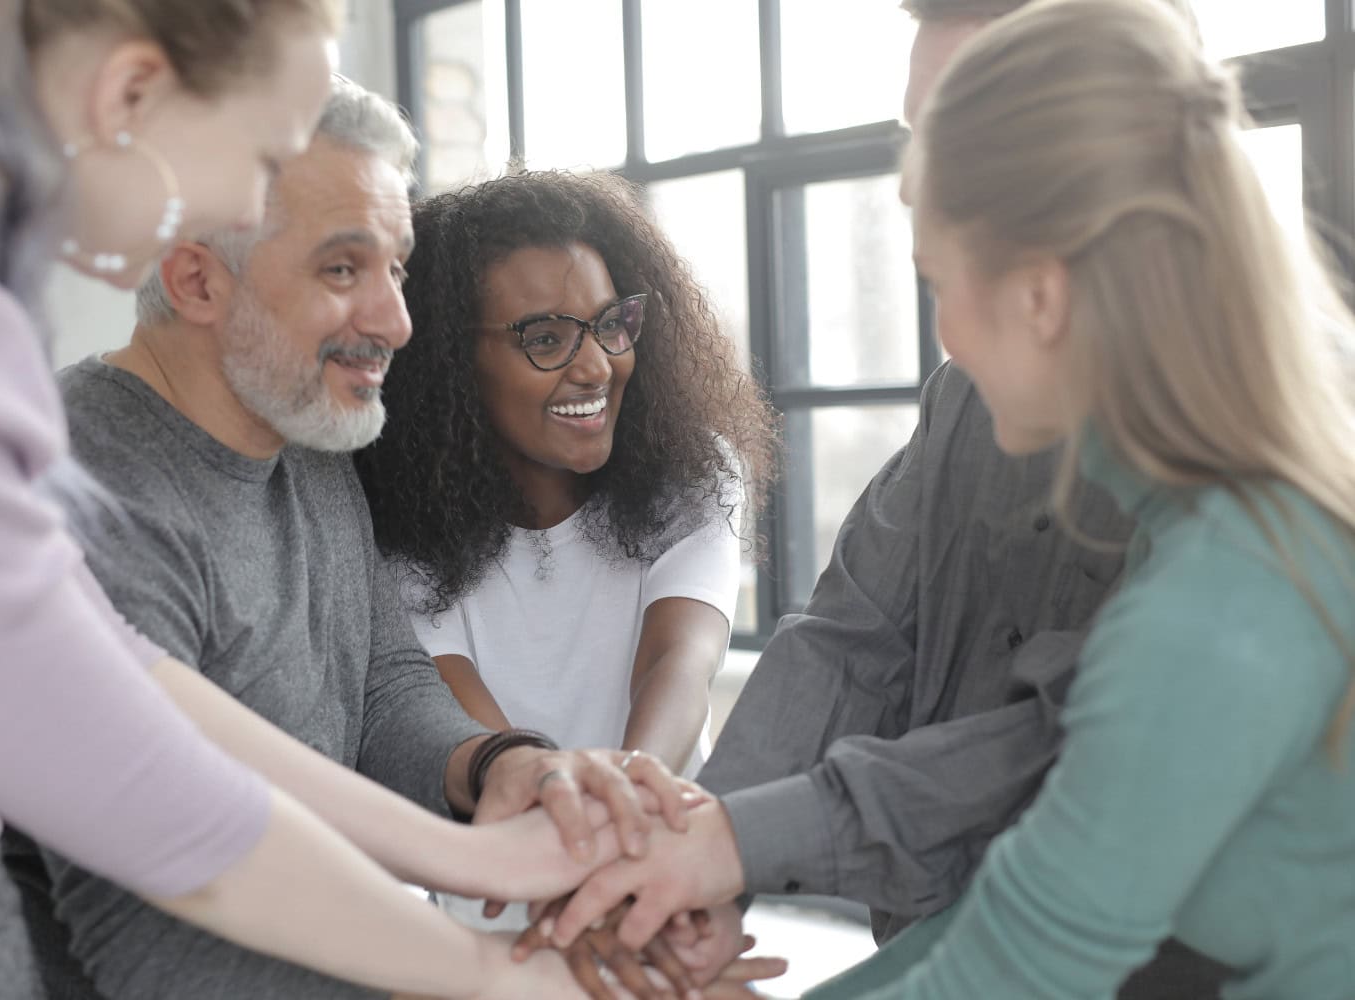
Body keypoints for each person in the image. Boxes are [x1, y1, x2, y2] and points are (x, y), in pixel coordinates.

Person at [0, 3, 653, 998]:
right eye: (260, 147)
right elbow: (156, 807)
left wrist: (488, 817)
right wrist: (503, 975)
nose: (399, 322)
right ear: (130, 97)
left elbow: (128, 685)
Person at [12, 80, 774, 1000]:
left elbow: (380, 689)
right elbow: (153, 920)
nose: (398, 323)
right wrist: (536, 979)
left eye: (398, 270)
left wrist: (501, 767)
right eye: (343, 270)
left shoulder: (309, 445)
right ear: (196, 279)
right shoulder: (75, 486)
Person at [528, 1, 1231, 998]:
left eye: (964, 148)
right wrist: (701, 869)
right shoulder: (967, 399)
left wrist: (731, 840)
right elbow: (849, 636)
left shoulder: (1239, 453)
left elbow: (1071, 743)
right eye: (917, 143)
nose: (917, 203)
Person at [816, 0, 1355, 993]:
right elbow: (1035, 919)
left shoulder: (1216, 602)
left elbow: (1018, 968)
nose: (945, 339)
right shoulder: (1258, 517)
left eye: (938, 282)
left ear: (1041, 297)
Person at [359, 169, 777, 784]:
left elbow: (679, 660)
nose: (596, 367)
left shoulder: (692, 476)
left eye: (610, 325)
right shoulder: (401, 521)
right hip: (503, 855)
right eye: (546, 338)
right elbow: (458, 717)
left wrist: (628, 791)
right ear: (449, 361)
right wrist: (563, 812)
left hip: (657, 849)